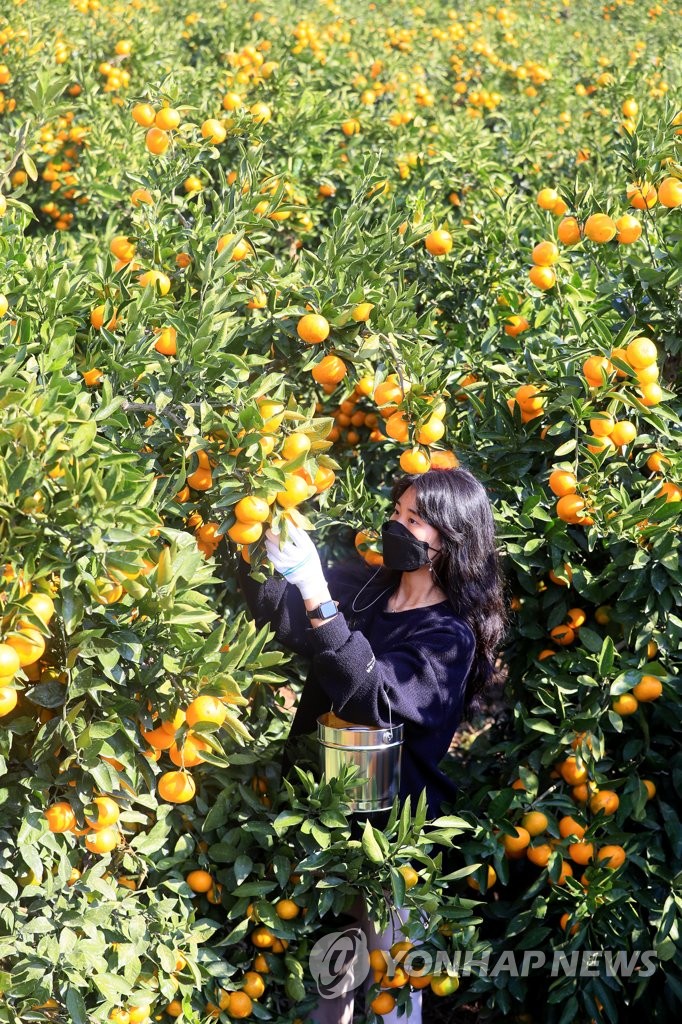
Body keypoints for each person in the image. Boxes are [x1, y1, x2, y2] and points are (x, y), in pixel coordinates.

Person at [237, 465, 507, 1023]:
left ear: (451, 539)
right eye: (396, 512)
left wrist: (316, 593)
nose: (397, 526)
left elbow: (372, 698)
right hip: (333, 817)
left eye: (415, 520)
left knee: (392, 982)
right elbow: (290, 620)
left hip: (396, 835)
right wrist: (255, 547)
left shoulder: (448, 635)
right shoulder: (368, 587)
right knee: (333, 973)